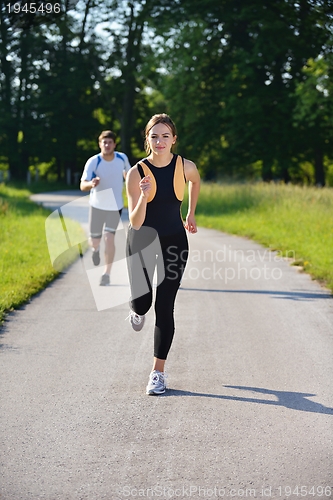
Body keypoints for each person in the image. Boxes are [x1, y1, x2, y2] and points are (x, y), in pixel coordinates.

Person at [126, 113, 200, 395]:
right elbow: (134, 222)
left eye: (165, 136)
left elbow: (195, 181)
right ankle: (135, 309)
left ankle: (157, 373)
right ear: (147, 139)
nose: (160, 141)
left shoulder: (185, 166)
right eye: (154, 136)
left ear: (174, 139)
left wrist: (191, 212)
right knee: (143, 304)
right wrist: (144, 196)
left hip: (174, 241)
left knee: (164, 305)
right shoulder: (137, 172)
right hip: (142, 240)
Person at [80, 130, 131, 286]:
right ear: (100, 144)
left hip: (115, 206)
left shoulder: (122, 158)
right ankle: (95, 250)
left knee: (109, 238)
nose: (107, 145)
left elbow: (131, 176)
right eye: (104, 142)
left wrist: (128, 178)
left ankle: (106, 273)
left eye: (110, 142)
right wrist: (92, 184)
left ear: (114, 144)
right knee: (95, 241)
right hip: (97, 206)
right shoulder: (94, 161)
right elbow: (83, 185)